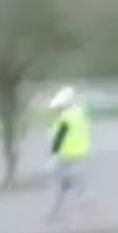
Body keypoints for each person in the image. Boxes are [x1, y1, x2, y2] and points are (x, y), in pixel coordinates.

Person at [46, 86, 91, 220]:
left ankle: (55, 210)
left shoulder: (64, 119)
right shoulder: (80, 114)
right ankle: (81, 195)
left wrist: (53, 154)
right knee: (69, 176)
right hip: (81, 151)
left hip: (66, 153)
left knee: (61, 180)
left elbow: (58, 138)